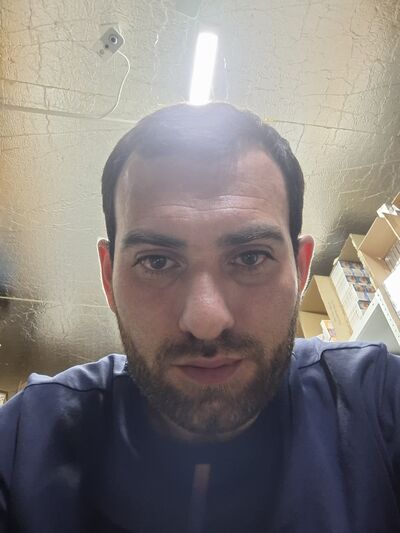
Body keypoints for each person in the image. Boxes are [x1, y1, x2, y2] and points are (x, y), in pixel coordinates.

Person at [0, 103, 399, 533]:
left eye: (251, 257)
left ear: (301, 271)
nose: (206, 320)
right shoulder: (27, 441)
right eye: (156, 262)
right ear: (108, 276)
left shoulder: (376, 406)